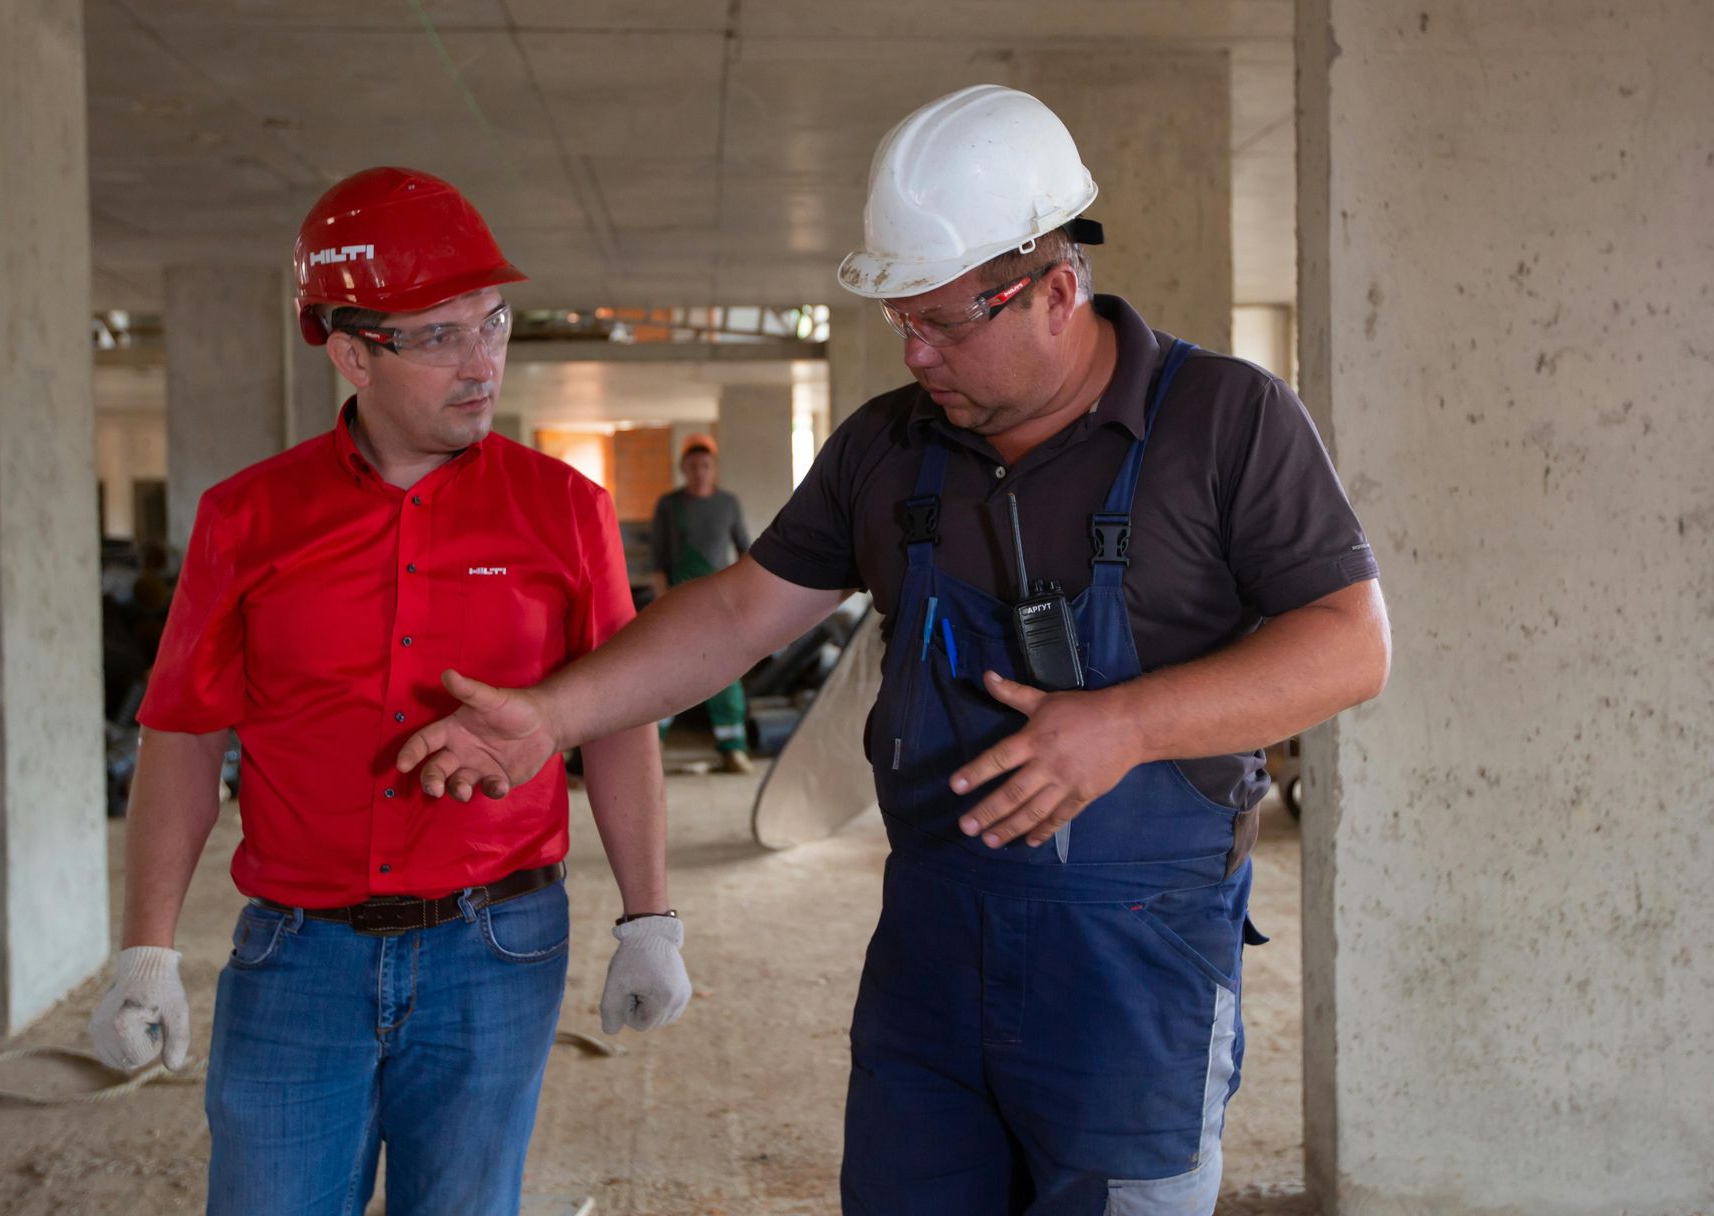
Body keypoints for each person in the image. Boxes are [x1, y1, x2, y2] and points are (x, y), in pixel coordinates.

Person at [393, 84, 1391, 1214]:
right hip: (931, 944)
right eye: (899, 320)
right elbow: (735, 614)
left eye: (943, 322)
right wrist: (554, 715)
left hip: (1135, 960)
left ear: (1058, 289)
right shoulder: (887, 448)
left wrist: (1129, 722)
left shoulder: (1226, 421)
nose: (914, 352)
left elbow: (1351, 644)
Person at [88, 167, 692, 1216]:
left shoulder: (565, 511)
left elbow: (620, 719)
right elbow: (182, 735)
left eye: (493, 323)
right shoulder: (248, 520)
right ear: (352, 349)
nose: (483, 363)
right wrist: (144, 947)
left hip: (497, 949)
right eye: (442, 335)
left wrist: (652, 917)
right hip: (297, 957)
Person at [648, 434, 755, 772]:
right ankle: (651, 748)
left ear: (714, 469)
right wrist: (662, 601)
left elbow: (746, 551)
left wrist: (746, 596)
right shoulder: (669, 505)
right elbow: (657, 558)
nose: (699, 472)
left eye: (705, 466)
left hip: (720, 601)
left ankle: (732, 748)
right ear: (683, 469)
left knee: (725, 672)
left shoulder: (728, 504)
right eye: (693, 466)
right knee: (668, 671)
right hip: (679, 599)